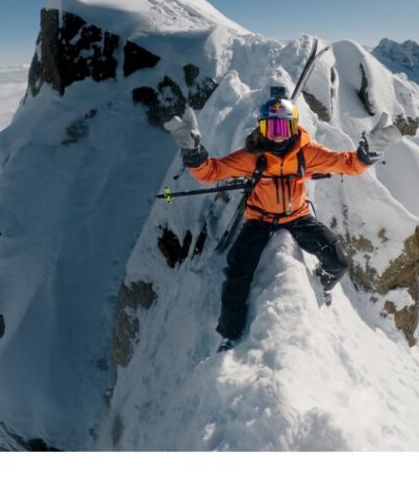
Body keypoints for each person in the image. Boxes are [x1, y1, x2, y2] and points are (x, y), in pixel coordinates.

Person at [163, 91, 403, 353]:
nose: (277, 133)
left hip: (297, 217)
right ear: (261, 127)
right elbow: (212, 172)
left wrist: (368, 153)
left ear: (294, 126)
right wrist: (193, 153)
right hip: (260, 220)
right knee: (237, 273)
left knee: (338, 262)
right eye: (270, 126)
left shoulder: (306, 153)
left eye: (283, 126)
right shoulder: (252, 156)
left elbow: (347, 165)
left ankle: (321, 283)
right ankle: (230, 334)